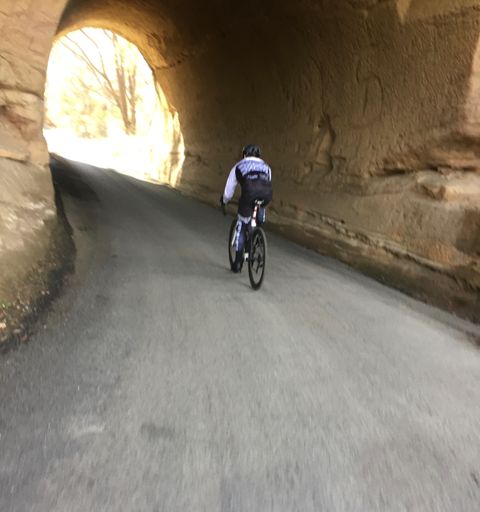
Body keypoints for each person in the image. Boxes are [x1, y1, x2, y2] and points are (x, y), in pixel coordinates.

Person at [220, 144, 273, 273]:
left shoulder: (239, 166)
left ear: (244, 154)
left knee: (242, 225)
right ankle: (257, 235)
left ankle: (238, 262)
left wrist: (224, 201)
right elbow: (267, 182)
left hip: (248, 196)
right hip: (266, 196)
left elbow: (229, 190)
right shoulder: (266, 167)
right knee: (258, 213)